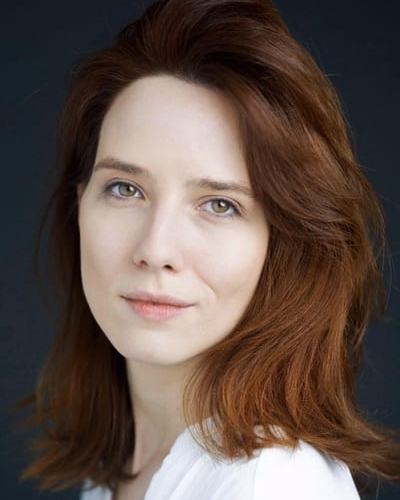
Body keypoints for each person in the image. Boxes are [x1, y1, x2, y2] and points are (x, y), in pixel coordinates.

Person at [16, 0, 400, 499]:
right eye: (125, 189)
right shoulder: (124, 465)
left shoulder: (270, 484)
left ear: (282, 244)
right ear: (79, 205)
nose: (156, 249)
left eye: (219, 204)